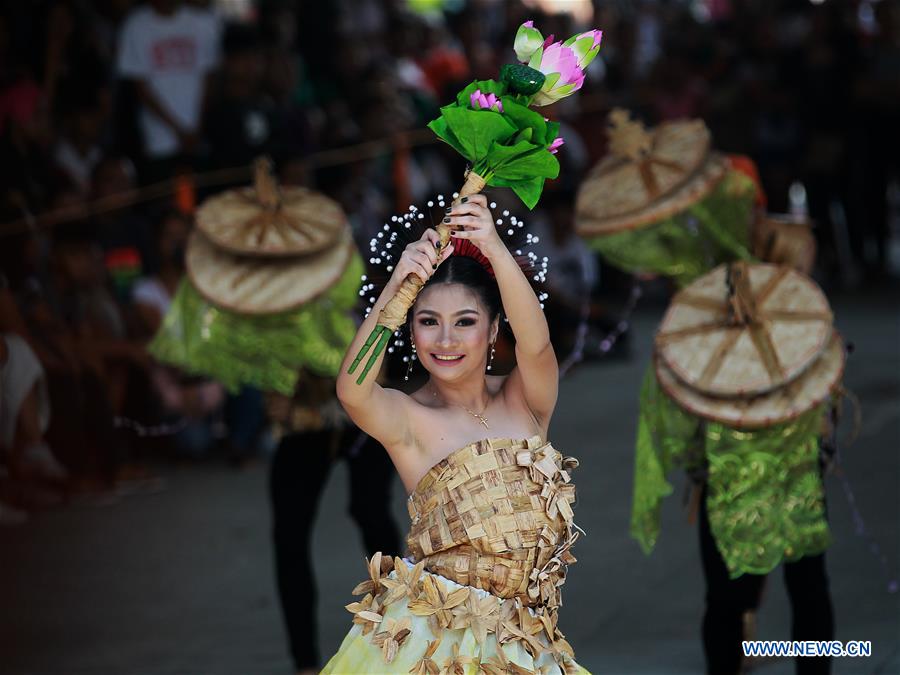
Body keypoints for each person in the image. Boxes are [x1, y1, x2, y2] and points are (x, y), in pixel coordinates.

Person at [327, 195, 585, 673]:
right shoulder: (409, 421)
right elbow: (353, 390)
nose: (445, 341)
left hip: (529, 644)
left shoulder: (526, 401)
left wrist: (493, 246)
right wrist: (398, 287)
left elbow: (538, 342)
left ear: (493, 330)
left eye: (465, 322)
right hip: (435, 649)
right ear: (411, 330)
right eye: (428, 322)